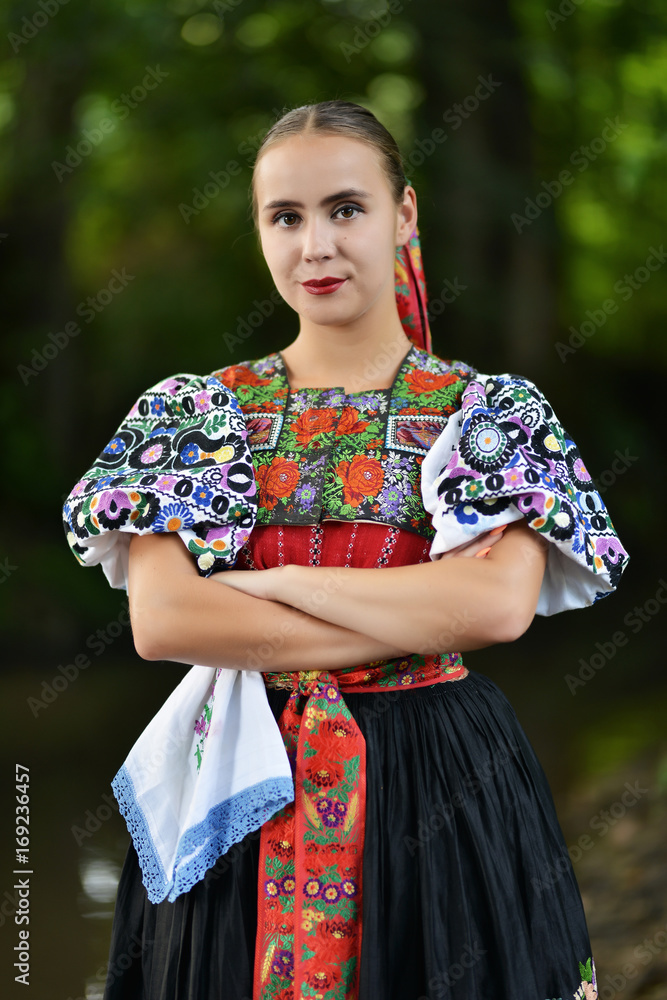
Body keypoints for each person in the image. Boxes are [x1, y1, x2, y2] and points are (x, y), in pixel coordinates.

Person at [63, 100, 629, 1000]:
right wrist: (417, 605)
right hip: (239, 782)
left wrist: (273, 584)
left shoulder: (488, 414)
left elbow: (494, 609)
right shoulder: (195, 413)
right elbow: (165, 622)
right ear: (259, 231)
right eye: (285, 217)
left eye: (345, 209)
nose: (315, 246)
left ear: (403, 214)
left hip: (441, 774)